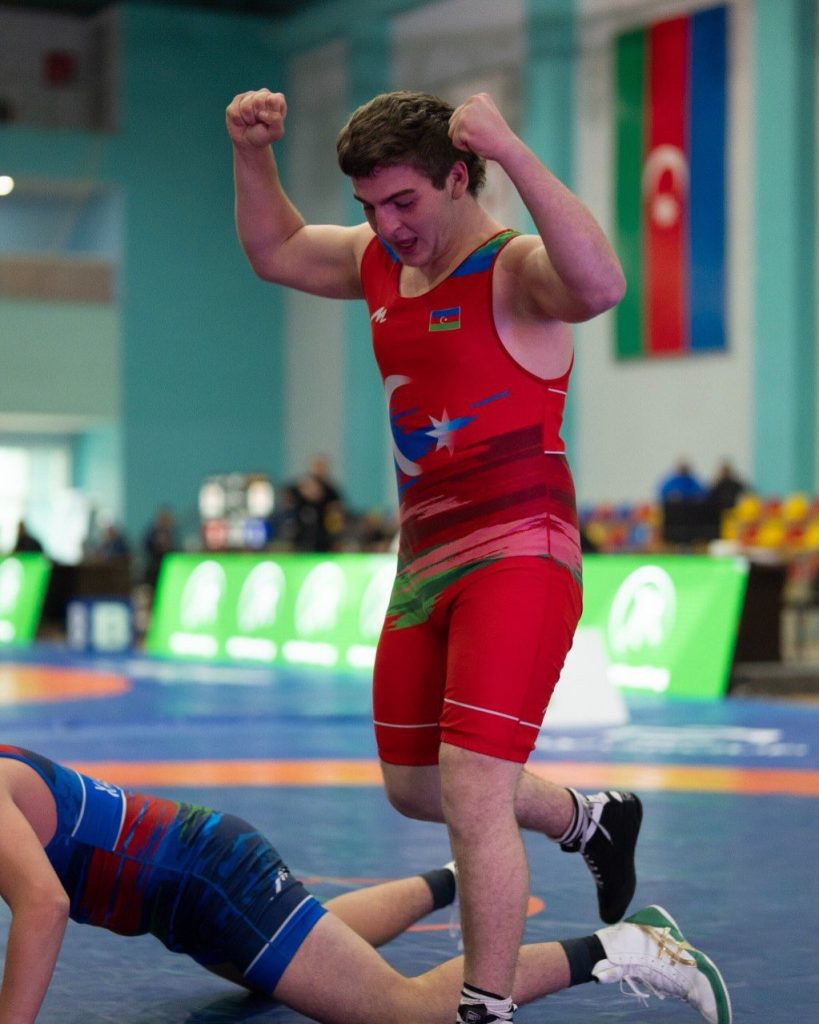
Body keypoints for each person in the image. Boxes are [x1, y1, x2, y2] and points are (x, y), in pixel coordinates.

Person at [226, 87, 637, 1024]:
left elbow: (602, 287)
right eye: (369, 206)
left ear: (459, 177)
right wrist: (251, 153)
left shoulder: (514, 269)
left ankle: (483, 1008)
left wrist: (514, 150)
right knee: (414, 786)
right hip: (424, 565)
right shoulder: (377, 261)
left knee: (472, 790)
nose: (386, 225)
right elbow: (276, 250)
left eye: (403, 201)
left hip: (519, 555)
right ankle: (588, 818)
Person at [0, 744, 732, 1024]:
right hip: (189, 889)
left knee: (394, 1011)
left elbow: (44, 904)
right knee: (306, 950)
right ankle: (455, 879)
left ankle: (632, 947)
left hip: (207, 881)